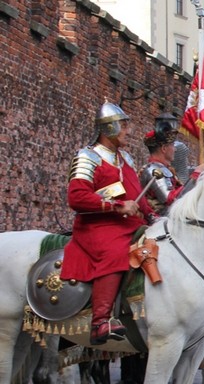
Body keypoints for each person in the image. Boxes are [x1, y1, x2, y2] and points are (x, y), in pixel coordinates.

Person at [61, 102, 155, 345]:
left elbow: (137, 195)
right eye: (123, 126)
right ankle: (100, 321)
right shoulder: (87, 157)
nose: (128, 131)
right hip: (98, 227)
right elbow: (77, 197)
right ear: (109, 127)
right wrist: (115, 206)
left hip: (128, 224)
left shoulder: (126, 159)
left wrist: (152, 216)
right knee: (115, 252)